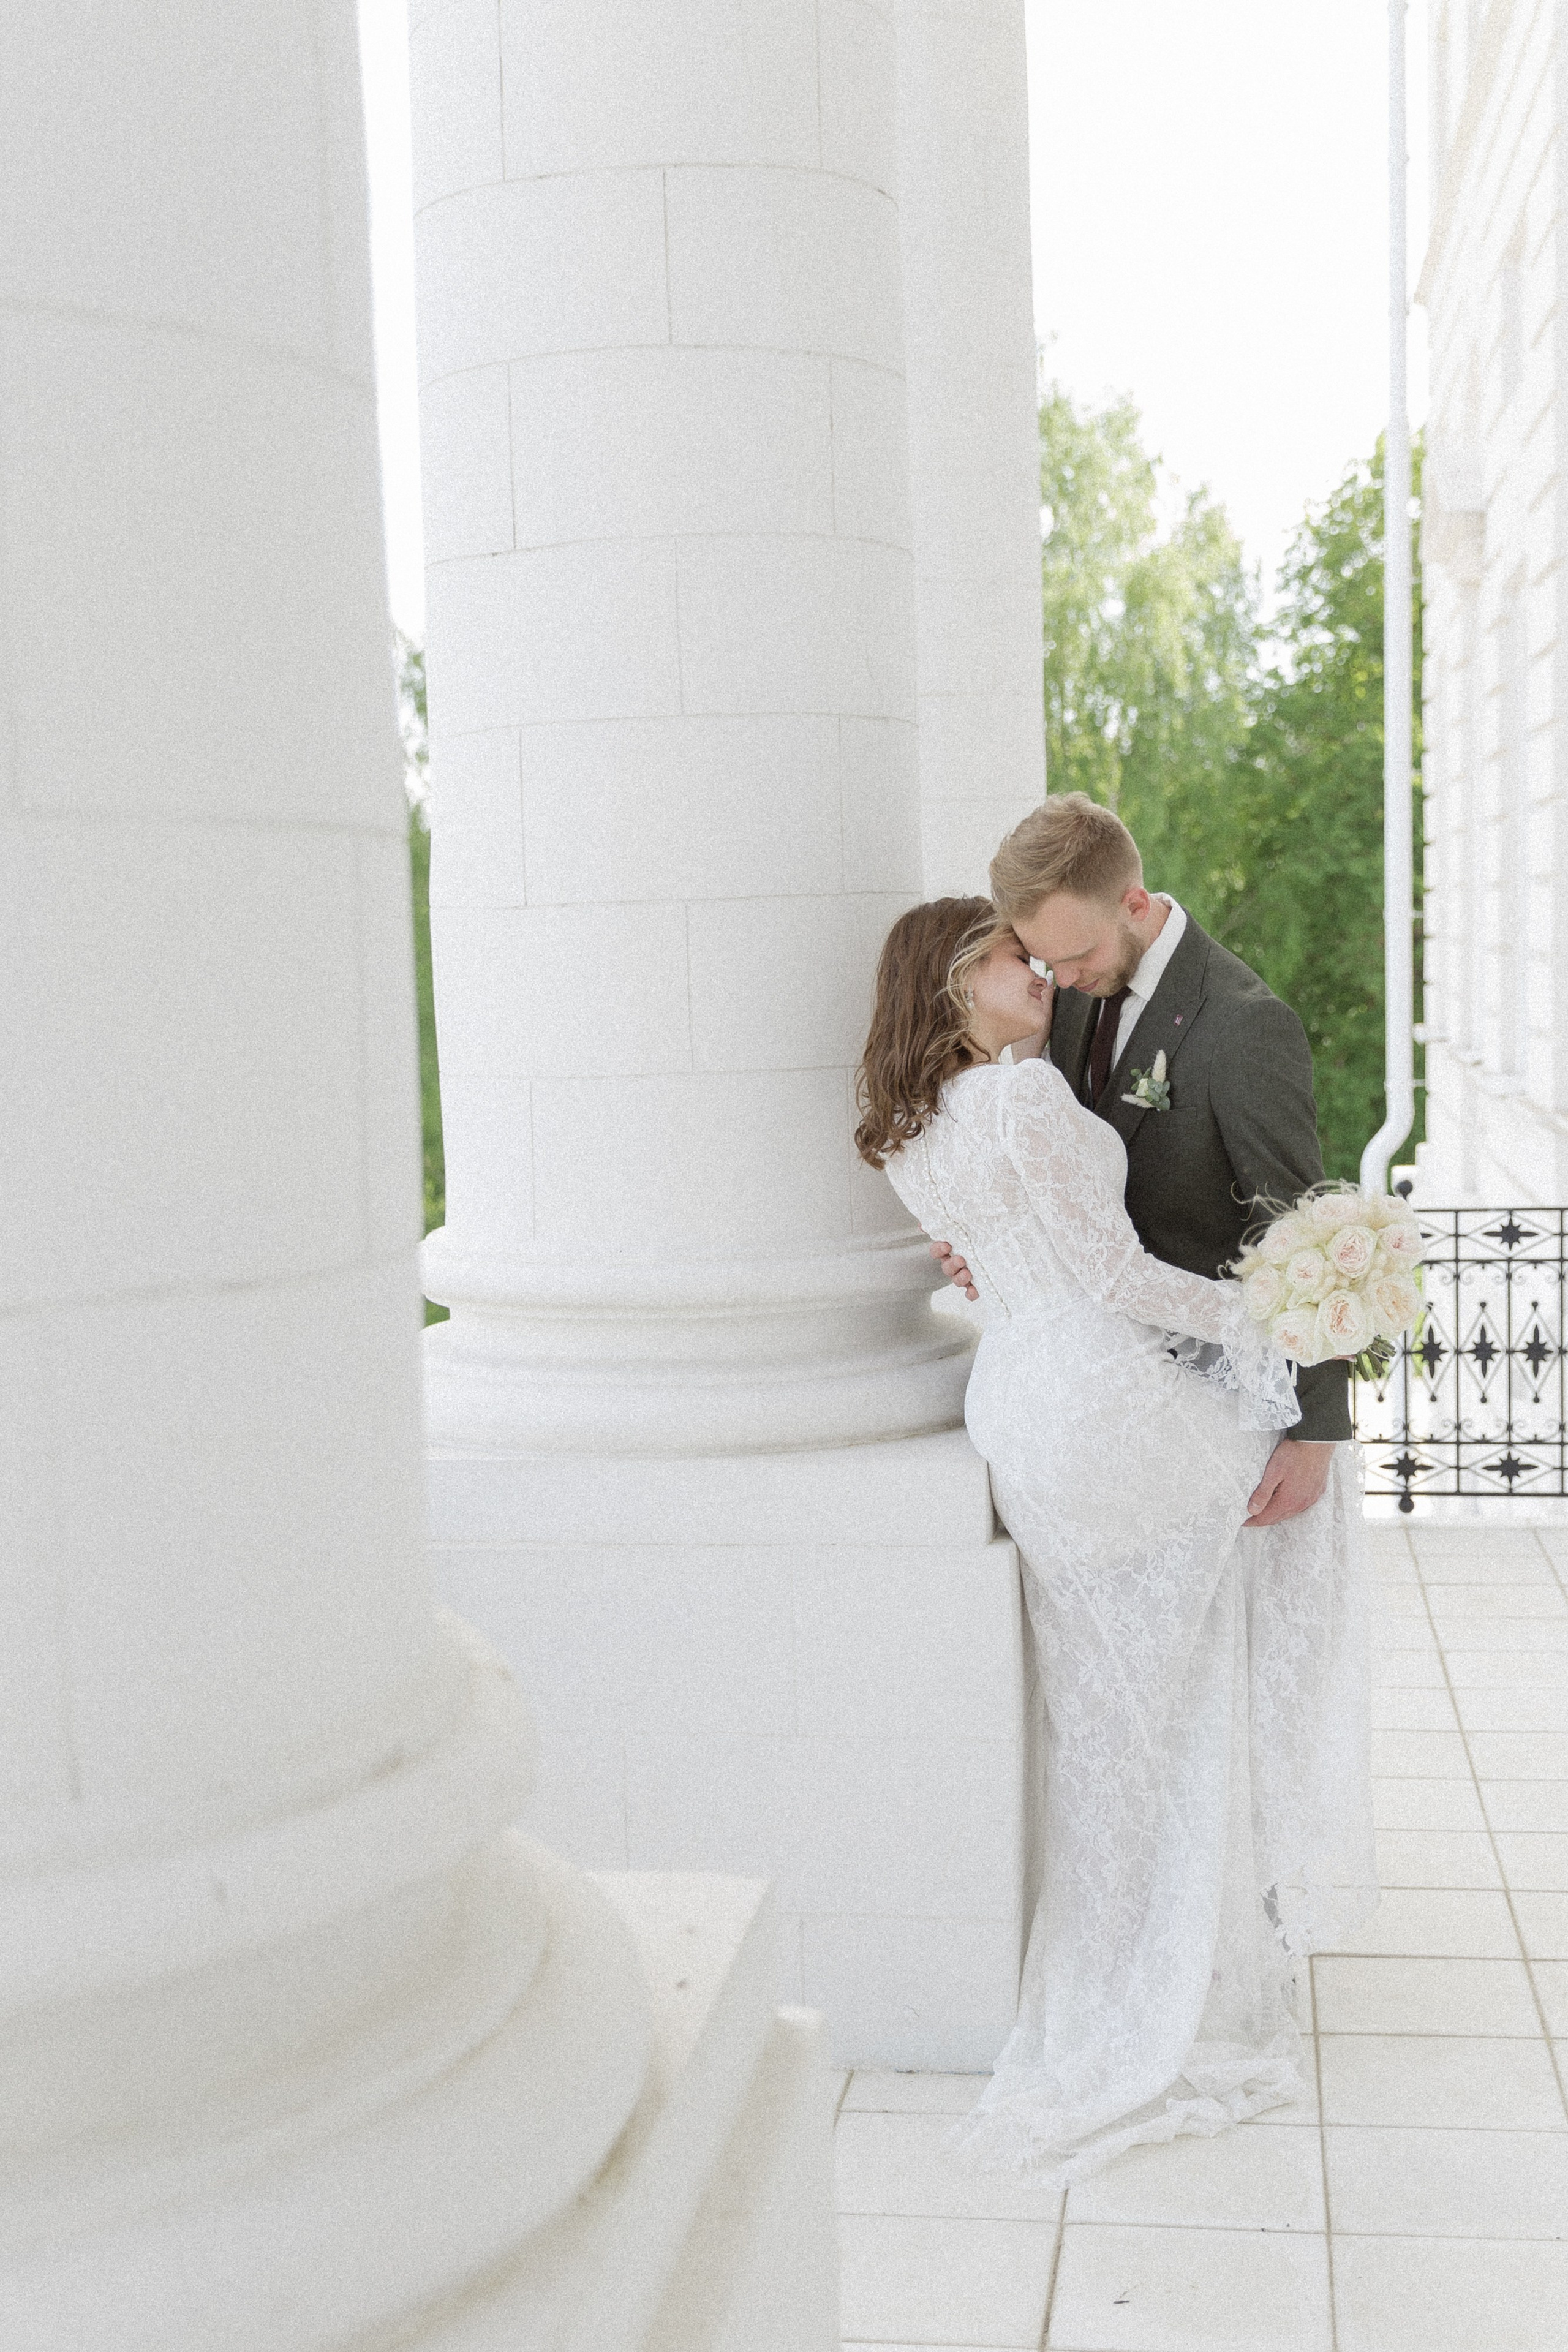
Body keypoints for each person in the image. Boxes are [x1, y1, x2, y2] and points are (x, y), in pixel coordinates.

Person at [855, 889, 1374, 2182]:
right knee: (1248, 1585)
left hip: (1021, 1404)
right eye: (1000, 956)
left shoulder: (907, 1125)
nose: (1031, 968)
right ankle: (1198, 1960)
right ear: (949, 986)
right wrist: (1276, 1316)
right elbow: (1113, 1280)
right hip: (1098, 1391)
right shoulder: (1023, 1097)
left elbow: (990, 1252)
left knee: (1117, 1711)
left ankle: (1156, 1954)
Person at [932, 793, 1351, 1529]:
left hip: (1235, 1410)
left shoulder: (1245, 1025)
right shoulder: (1066, 995)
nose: (1059, 979)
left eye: (1076, 955)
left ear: (1133, 902)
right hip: (1115, 1411)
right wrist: (995, 1244)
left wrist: (1315, 1432)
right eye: (1044, 960)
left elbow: (1302, 1231)